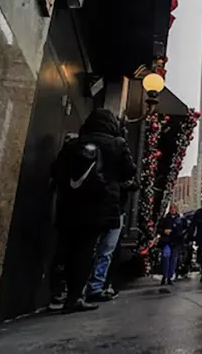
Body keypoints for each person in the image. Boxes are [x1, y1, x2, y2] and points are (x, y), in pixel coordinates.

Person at [49, 109, 136, 313]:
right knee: (85, 250)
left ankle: (57, 293)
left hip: (69, 205)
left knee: (64, 247)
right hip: (99, 206)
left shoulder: (74, 143)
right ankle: (75, 297)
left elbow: (57, 171)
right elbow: (129, 171)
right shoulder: (117, 144)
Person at [157, 203, 186, 286]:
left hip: (176, 241)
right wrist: (164, 231)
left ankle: (169, 276)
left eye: (174, 208)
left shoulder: (180, 219)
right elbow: (159, 228)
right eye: (171, 208)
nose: (172, 210)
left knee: (173, 260)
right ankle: (165, 275)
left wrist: (181, 234)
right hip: (167, 241)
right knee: (166, 256)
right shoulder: (165, 219)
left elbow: (185, 228)